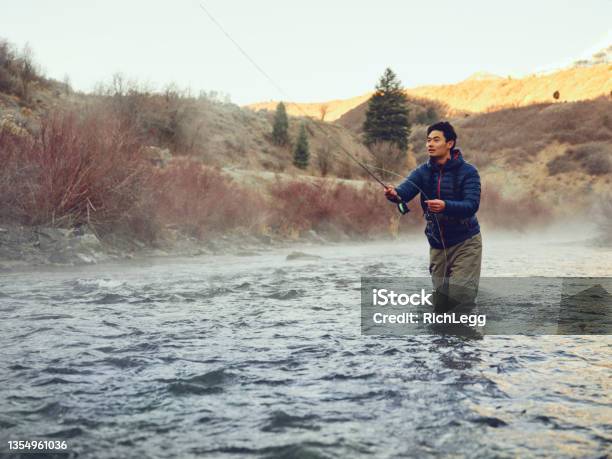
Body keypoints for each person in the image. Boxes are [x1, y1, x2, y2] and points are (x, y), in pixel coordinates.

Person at [384, 121, 482, 313]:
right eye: (428, 140)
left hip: (466, 242)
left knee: (460, 298)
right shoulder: (422, 172)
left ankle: (466, 340)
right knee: (441, 304)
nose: (430, 144)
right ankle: (440, 342)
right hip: (437, 244)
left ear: (450, 143)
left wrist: (445, 206)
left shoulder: (468, 172)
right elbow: (404, 192)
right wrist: (394, 195)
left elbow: (471, 206)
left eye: (436, 140)